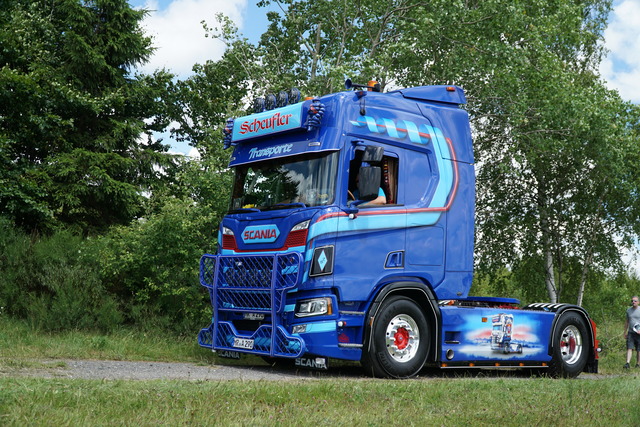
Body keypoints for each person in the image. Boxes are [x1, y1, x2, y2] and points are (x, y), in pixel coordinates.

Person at [623, 295, 640, 369]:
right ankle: (627, 363)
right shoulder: (628, 310)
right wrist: (625, 332)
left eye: (635, 301)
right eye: (632, 301)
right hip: (631, 332)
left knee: (639, 349)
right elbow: (627, 322)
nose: (633, 302)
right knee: (629, 347)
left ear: (638, 302)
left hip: (639, 332)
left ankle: (638, 363)